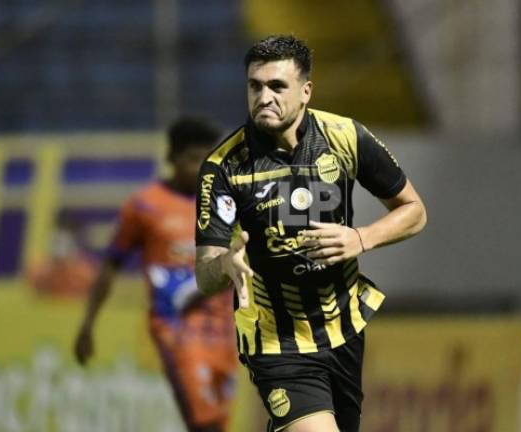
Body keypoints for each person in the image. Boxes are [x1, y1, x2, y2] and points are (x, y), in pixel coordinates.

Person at [194, 35, 427, 432]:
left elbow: (414, 211)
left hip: (344, 327)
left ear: (306, 92)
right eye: (255, 86)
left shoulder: (345, 137)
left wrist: (361, 238)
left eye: (277, 86)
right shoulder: (224, 167)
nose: (264, 97)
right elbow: (204, 273)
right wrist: (225, 265)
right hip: (276, 339)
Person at [74, 117, 237, 432]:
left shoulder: (226, 205)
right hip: (176, 328)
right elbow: (111, 265)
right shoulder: (145, 206)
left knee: (216, 422)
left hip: (222, 329)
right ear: (172, 158)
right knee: (203, 422)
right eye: (193, 160)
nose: (202, 169)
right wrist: (88, 324)